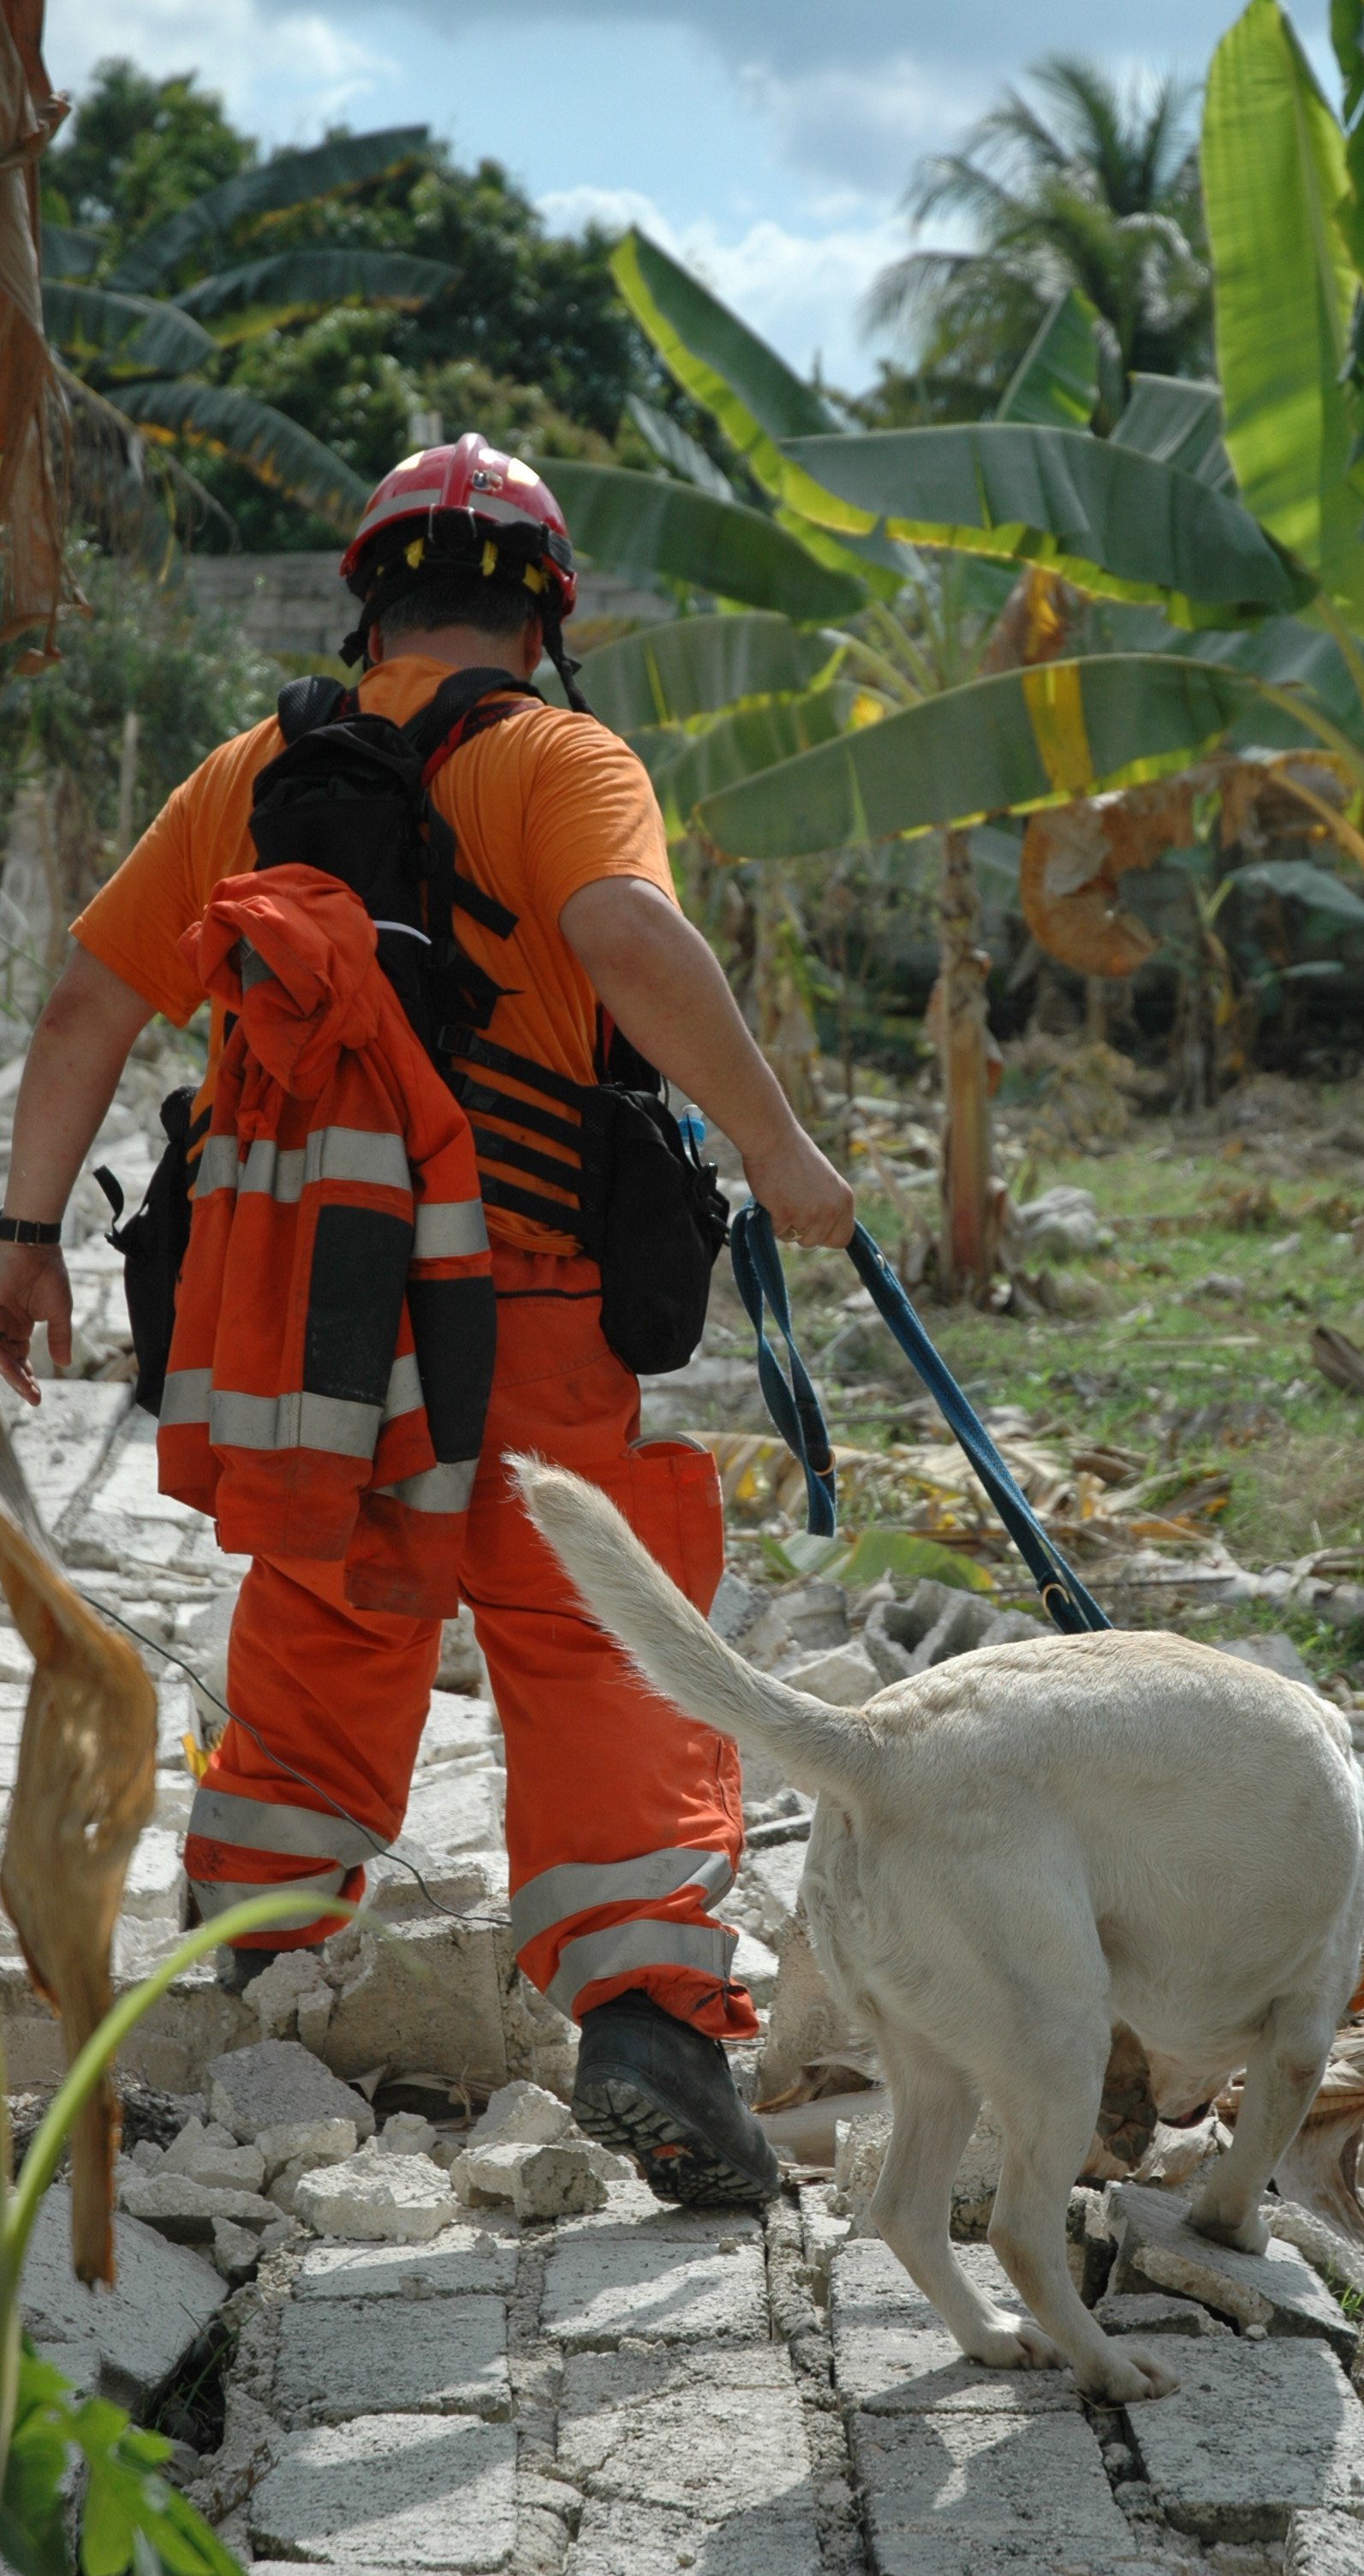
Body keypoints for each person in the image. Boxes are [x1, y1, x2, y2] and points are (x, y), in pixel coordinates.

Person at [0, 434, 854, 2205]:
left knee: (325, 1605)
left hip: (312, 1332)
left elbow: (88, 1001)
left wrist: (19, 1234)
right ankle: (645, 2018)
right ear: (544, 618)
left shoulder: (249, 774)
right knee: (598, 1643)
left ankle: (254, 1954)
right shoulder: (559, 757)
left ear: (369, 599)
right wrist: (778, 1149)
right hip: (525, 1309)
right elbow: (621, 930)